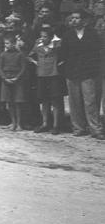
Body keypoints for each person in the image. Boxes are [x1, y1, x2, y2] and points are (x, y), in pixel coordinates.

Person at [61, 10, 105, 139]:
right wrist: (67, 70)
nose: (74, 20)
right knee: (74, 102)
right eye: (72, 18)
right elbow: (63, 54)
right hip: (72, 73)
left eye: (77, 18)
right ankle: (78, 127)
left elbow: (97, 53)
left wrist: (93, 70)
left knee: (90, 102)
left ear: (84, 21)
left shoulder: (92, 34)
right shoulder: (68, 35)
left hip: (88, 73)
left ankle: (95, 129)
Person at [28, 24, 66, 134]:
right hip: (41, 74)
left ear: (50, 37)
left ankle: (56, 125)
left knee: (55, 100)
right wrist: (35, 62)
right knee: (44, 100)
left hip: (54, 75)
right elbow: (29, 56)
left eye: (45, 36)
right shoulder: (38, 44)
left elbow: (64, 57)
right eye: (41, 36)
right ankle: (45, 123)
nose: (42, 38)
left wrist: (59, 65)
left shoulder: (57, 44)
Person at [0, 34, 28, 130]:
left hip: (17, 81)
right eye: (5, 43)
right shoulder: (3, 55)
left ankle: (19, 123)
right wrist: (4, 78)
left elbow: (23, 68)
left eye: (8, 43)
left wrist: (17, 78)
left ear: (14, 44)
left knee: (18, 102)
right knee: (9, 102)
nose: (6, 45)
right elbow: (0, 68)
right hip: (6, 79)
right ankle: (13, 122)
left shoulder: (20, 54)